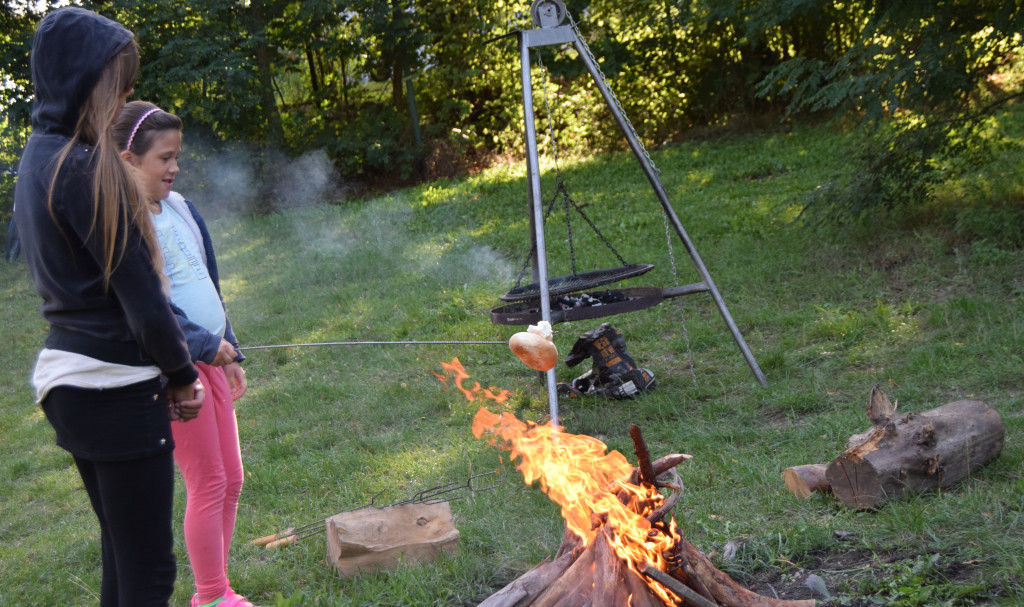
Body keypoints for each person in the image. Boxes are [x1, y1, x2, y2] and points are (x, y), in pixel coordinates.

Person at [13, 7, 205, 607]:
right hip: (114, 385)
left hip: (66, 382)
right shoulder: (86, 167)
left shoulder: (38, 157)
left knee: (123, 559)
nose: (122, 96)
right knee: (150, 573)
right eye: (116, 85)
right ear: (85, 81)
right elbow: (142, 300)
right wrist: (181, 374)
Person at [115, 101, 255, 607]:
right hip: (175, 368)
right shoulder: (126, 225)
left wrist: (229, 347)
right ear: (129, 160)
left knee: (232, 479)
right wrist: (200, 347)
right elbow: (151, 309)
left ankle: (219, 584)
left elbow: (207, 282)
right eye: (164, 158)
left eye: (177, 157)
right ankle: (212, 595)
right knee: (209, 480)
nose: (174, 167)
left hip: (212, 358)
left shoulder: (180, 208)